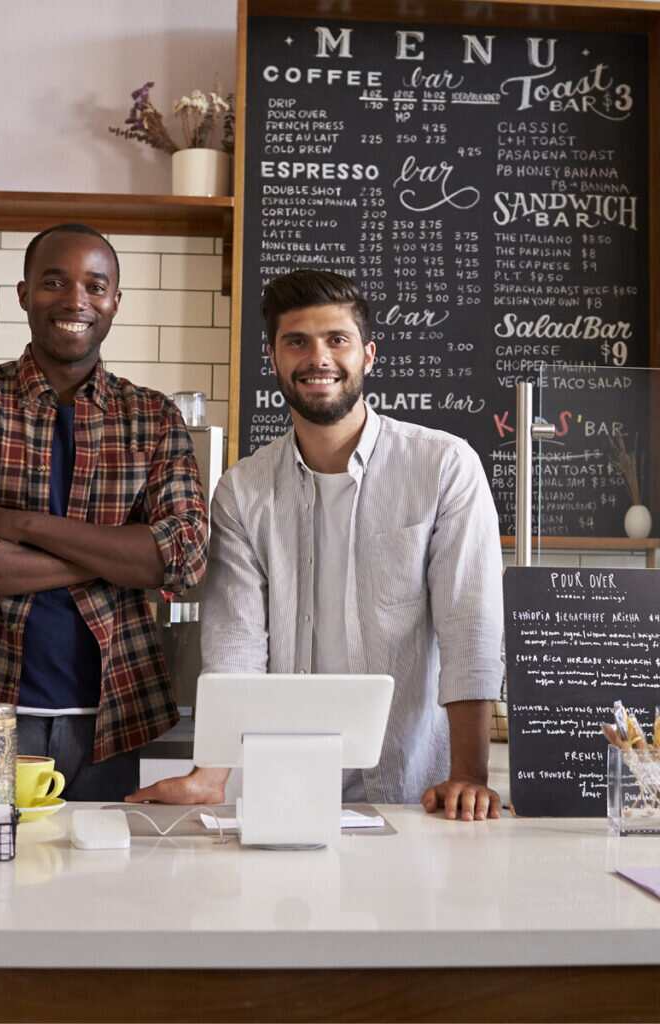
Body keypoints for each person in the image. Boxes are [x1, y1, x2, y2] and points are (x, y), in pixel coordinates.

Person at [128, 269, 504, 821]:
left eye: (337, 340)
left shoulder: (443, 466)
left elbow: (469, 624)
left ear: (368, 355)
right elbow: (235, 644)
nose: (318, 357)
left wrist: (469, 775)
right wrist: (210, 774)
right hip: (285, 791)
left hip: (415, 793)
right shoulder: (243, 491)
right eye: (297, 341)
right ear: (274, 360)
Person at [0, 223, 208, 801]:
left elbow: (184, 556)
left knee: (98, 887)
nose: (76, 300)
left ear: (116, 301)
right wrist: (120, 554)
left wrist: (22, 525)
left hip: (112, 717)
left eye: (96, 286)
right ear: (24, 294)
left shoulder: (152, 417)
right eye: (54, 282)